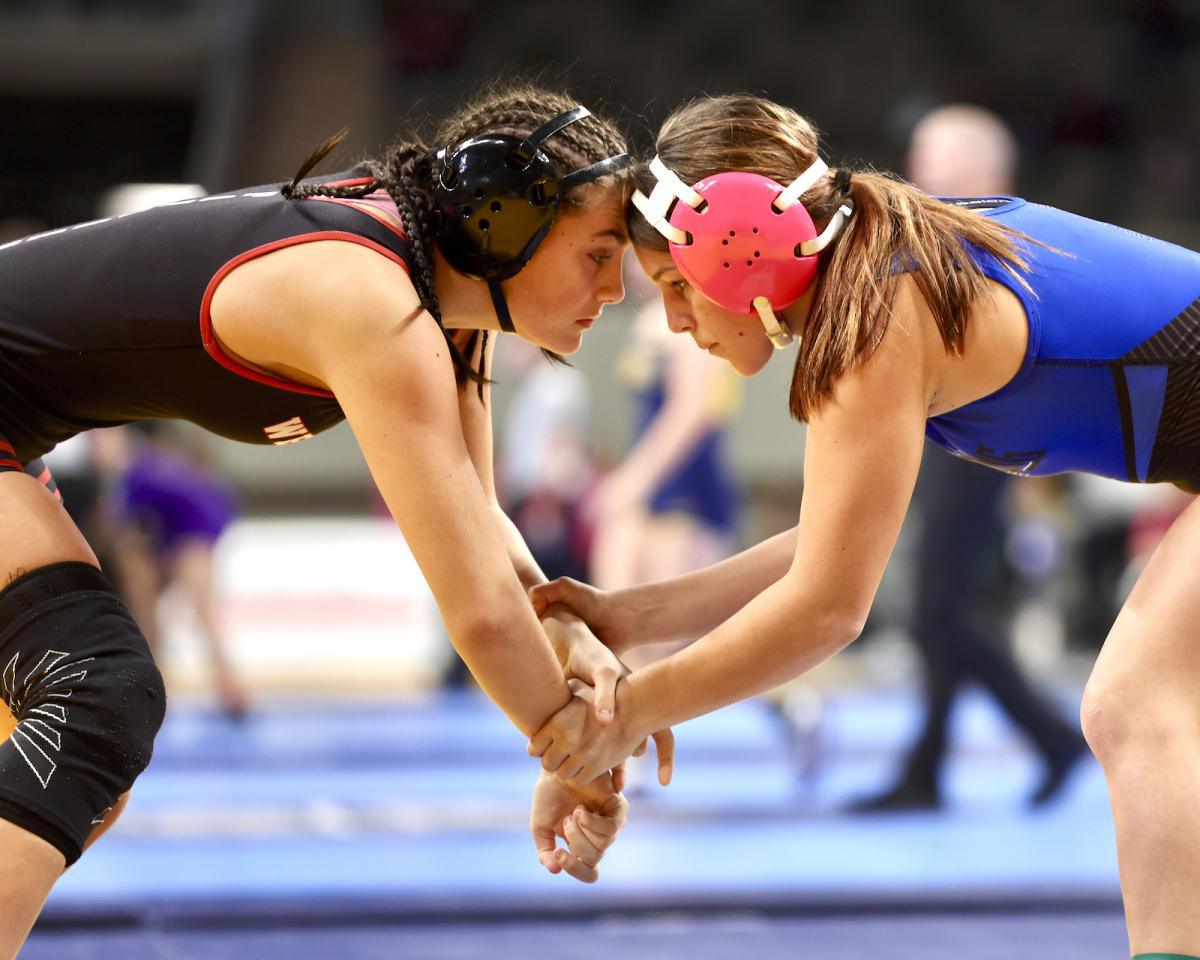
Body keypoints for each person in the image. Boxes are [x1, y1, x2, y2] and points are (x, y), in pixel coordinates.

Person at [528, 93, 1200, 959]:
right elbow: (829, 545)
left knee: (1135, 706)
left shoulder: (882, 313)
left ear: (740, 250)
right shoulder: (889, 269)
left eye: (669, 286)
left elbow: (826, 610)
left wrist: (623, 719)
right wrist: (633, 619)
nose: (674, 321)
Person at [0, 83, 662, 958]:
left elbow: (479, 518)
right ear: (505, 225)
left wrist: (574, 644)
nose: (616, 290)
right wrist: (579, 753)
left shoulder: (443, 296)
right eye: (600, 254)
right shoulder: (372, 304)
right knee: (94, 702)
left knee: (74, 773)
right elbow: (478, 614)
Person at [850, 103, 1085, 813]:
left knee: (938, 611)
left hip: (977, 443)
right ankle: (932, 765)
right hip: (959, 435)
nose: (918, 173)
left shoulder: (996, 236)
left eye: (934, 159)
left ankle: (1046, 736)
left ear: (983, 169)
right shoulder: (960, 237)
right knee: (939, 608)